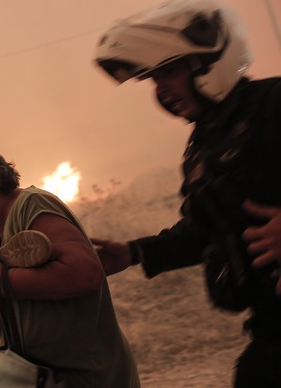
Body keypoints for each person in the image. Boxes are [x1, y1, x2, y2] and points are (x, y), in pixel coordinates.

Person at [94, 0, 281, 386]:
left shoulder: (274, 103)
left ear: (210, 60)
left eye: (169, 72)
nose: (161, 89)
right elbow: (207, 229)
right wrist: (135, 252)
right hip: (272, 328)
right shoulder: (202, 147)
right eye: (153, 78)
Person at [0, 138, 140, 388]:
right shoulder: (6, 228)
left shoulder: (30, 205)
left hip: (91, 378)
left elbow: (86, 273)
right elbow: (41, 302)